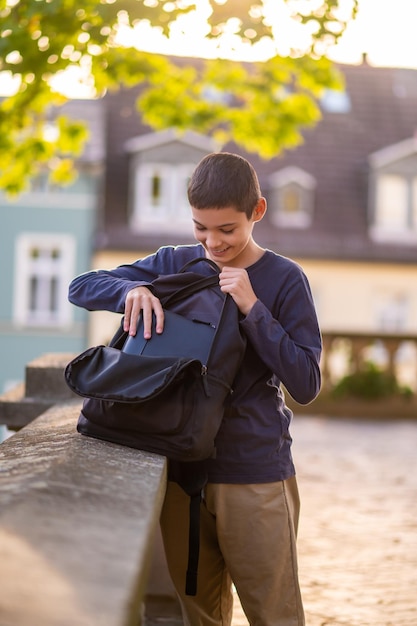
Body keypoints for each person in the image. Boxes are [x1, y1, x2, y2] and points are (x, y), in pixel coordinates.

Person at [68, 152, 322, 626]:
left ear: (257, 212)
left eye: (226, 229)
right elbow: (81, 285)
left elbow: (306, 381)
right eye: (200, 227)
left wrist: (252, 308)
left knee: (275, 615)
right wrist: (129, 292)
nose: (212, 242)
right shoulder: (174, 263)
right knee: (199, 617)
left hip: (254, 472)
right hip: (182, 469)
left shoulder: (285, 279)